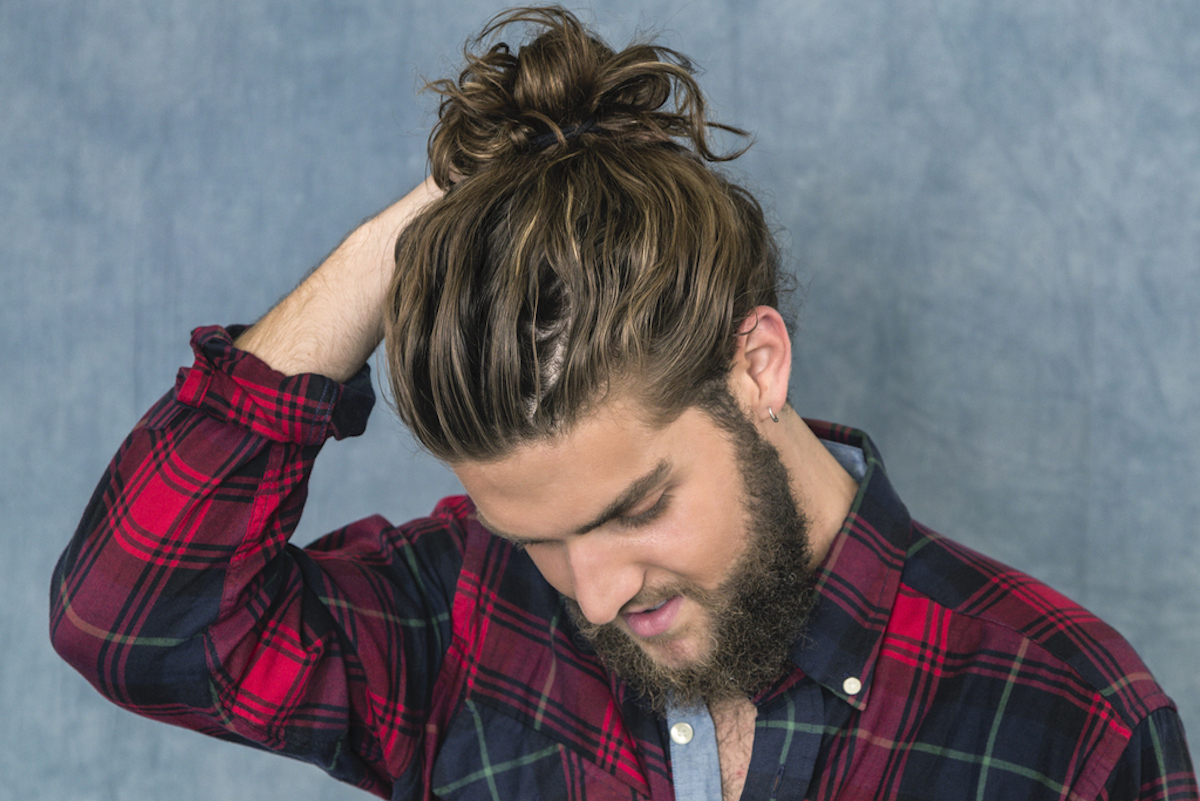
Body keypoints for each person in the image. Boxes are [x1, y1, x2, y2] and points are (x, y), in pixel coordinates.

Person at [50, 6, 1196, 800]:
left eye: (629, 509)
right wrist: (412, 235)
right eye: (533, 536)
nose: (593, 596)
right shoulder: (461, 623)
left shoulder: (1074, 722)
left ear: (756, 366)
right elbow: (134, 617)